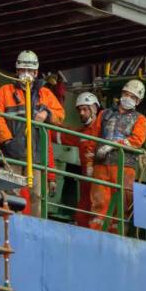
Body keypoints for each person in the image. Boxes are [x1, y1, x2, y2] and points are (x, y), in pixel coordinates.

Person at [0, 50, 65, 215]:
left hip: (36, 157)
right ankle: (9, 224)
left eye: (30, 70)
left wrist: (46, 113)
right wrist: (7, 141)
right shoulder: (5, 91)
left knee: (37, 196)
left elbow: (60, 115)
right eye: (22, 70)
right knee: (11, 194)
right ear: (17, 71)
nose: (26, 74)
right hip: (12, 153)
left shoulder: (45, 94)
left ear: (36, 72)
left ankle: (35, 229)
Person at [89, 80, 146, 231]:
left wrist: (113, 145)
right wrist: (90, 163)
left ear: (138, 101)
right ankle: (95, 233)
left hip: (124, 167)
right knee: (99, 203)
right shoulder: (104, 114)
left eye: (132, 97)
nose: (128, 98)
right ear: (121, 94)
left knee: (122, 205)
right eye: (126, 94)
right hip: (101, 165)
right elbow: (92, 139)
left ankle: (117, 236)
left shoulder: (140, 119)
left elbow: (137, 140)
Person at [55, 92, 103, 227]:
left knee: (100, 215)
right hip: (87, 181)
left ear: (94, 108)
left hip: (102, 181)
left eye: (85, 109)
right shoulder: (81, 133)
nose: (81, 113)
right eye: (79, 110)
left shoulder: (103, 129)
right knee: (82, 215)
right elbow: (64, 136)